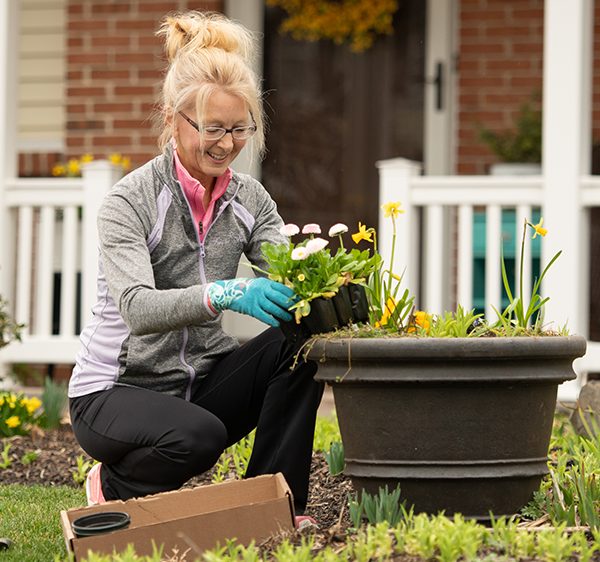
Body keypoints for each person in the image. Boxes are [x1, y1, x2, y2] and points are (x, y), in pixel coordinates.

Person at [68, 10, 323, 525]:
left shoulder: (249, 197)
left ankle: (274, 503)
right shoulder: (131, 202)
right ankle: (113, 482)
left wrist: (316, 282)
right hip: (114, 392)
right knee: (198, 437)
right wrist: (224, 294)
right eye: (212, 128)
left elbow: (283, 265)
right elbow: (136, 308)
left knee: (301, 343)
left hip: (199, 382)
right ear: (173, 120)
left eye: (239, 128)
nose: (226, 144)